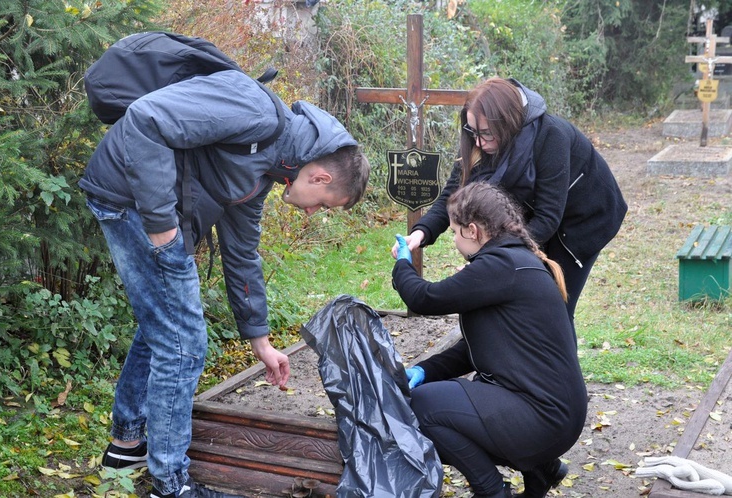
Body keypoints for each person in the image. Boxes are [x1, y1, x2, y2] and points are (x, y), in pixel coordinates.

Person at [79, 67, 370, 498]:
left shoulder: (267, 171)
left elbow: (241, 254)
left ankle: (127, 444)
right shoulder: (255, 112)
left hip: (147, 210)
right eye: (323, 206)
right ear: (320, 178)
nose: (312, 214)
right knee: (184, 341)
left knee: (164, 324)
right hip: (130, 200)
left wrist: (261, 341)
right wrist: (161, 225)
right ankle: (170, 484)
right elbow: (145, 120)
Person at [392, 182, 588, 498]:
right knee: (458, 392)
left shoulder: (501, 265)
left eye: (455, 232)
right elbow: (477, 348)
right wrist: (425, 371)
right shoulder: (515, 260)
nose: (454, 240)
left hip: (544, 418)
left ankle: (493, 491)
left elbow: (424, 299)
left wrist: (403, 264)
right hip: (557, 415)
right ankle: (542, 470)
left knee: (421, 408)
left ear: (473, 231)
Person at [394, 77, 627, 340]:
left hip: (582, 219)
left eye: (486, 134)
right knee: (514, 295)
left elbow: (548, 218)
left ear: (509, 124)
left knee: (554, 305)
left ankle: (558, 376)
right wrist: (421, 233)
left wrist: (493, 259)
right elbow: (452, 193)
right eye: (473, 132)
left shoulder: (551, 136)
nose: (479, 142)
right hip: (532, 213)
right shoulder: (476, 139)